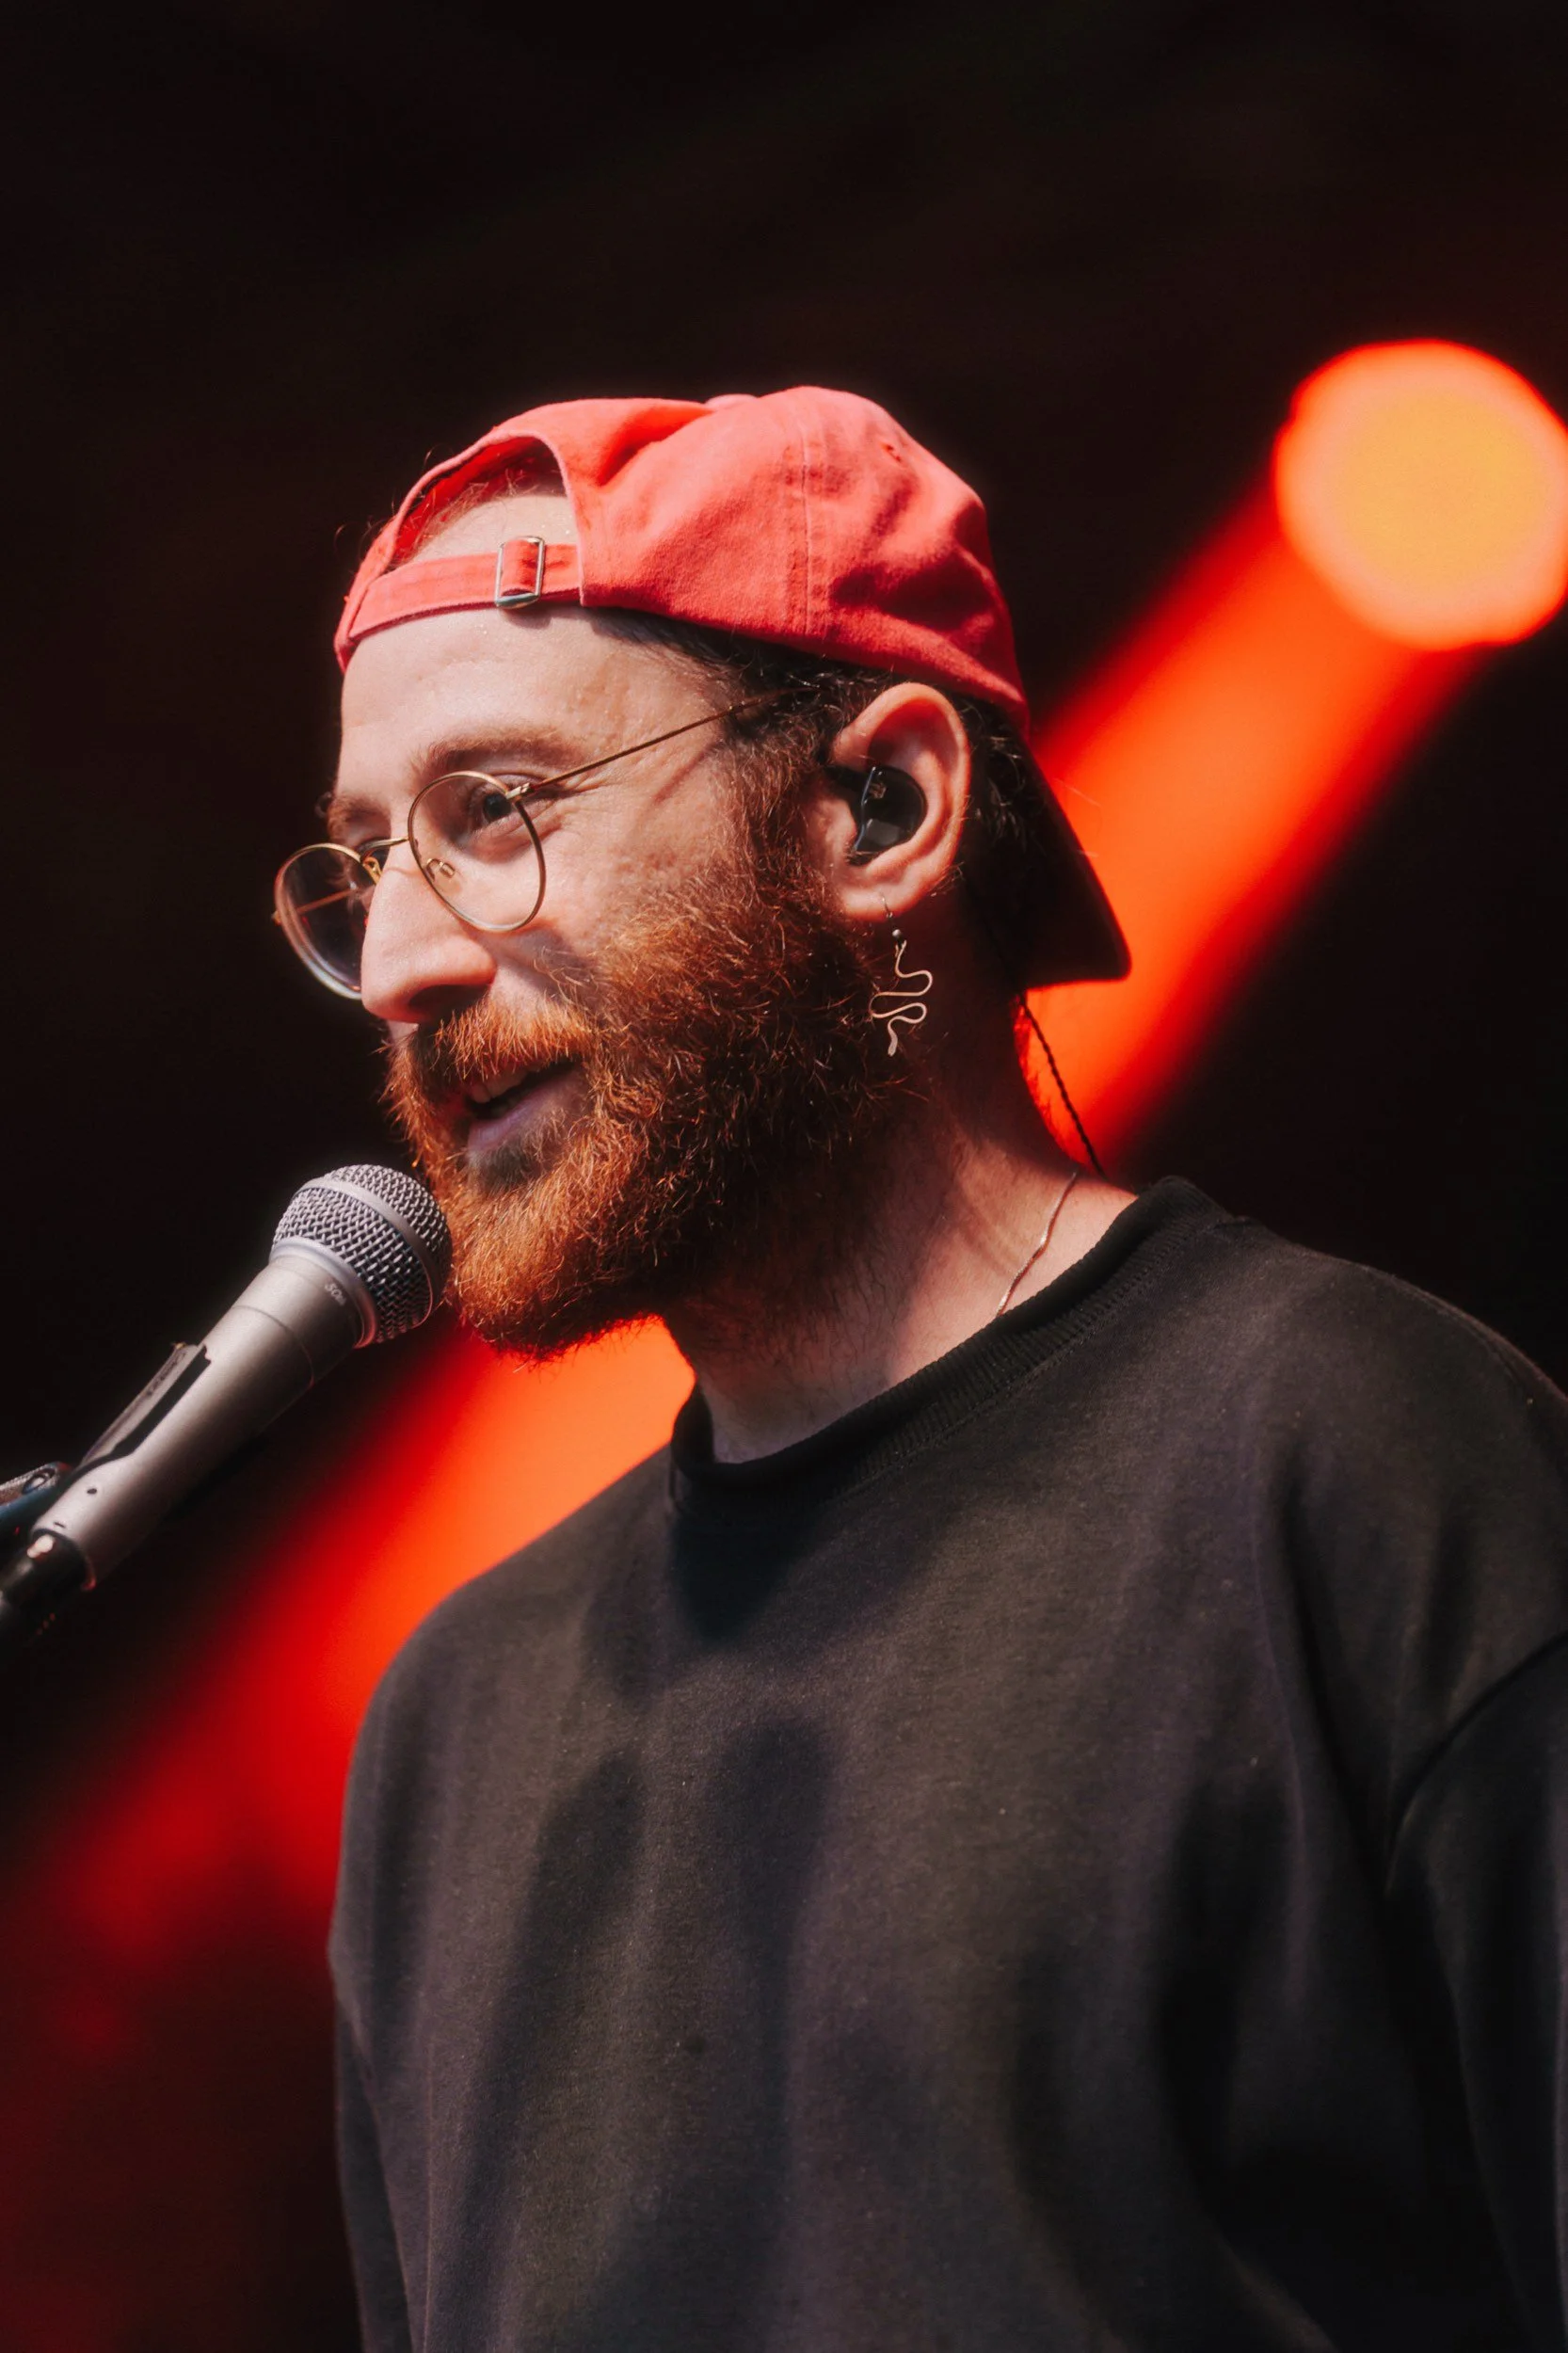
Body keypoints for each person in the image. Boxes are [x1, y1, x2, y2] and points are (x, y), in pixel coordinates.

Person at [280, 390, 1568, 2351]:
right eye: (369, 857)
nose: (398, 960)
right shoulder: (452, 1723)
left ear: (876, 809)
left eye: (500, 812)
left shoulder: (1350, 1459)